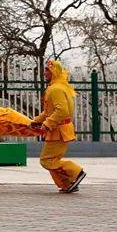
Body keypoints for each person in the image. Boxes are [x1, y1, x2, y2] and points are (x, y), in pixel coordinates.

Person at [31, 59, 86, 193]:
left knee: (46, 160)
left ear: (54, 72)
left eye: (47, 70)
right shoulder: (56, 87)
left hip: (59, 130)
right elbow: (49, 111)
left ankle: (76, 172)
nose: (44, 73)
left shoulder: (56, 89)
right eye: (45, 70)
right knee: (52, 160)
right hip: (58, 130)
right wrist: (36, 121)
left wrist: (47, 123)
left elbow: (62, 111)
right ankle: (66, 184)